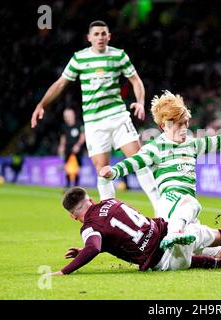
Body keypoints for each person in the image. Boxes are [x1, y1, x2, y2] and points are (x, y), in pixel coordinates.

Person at [99, 90, 221, 255]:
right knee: (190, 203)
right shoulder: (156, 148)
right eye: (179, 124)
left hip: (189, 216)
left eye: (186, 123)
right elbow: (134, 162)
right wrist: (113, 172)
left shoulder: (193, 144)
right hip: (169, 206)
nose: (184, 128)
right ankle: (174, 233)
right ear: (164, 125)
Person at [30, 20, 159, 213]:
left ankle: (160, 208)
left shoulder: (119, 55)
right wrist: (42, 104)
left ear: (109, 36)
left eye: (103, 34)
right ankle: (112, 217)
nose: (100, 37)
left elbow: (136, 80)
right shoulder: (79, 59)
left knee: (139, 161)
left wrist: (140, 102)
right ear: (89, 38)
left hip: (117, 117)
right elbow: (60, 84)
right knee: (103, 170)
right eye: (96, 34)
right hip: (94, 123)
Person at [47, 187, 221, 276]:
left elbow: (96, 245)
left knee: (186, 261)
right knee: (213, 228)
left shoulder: (89, 228)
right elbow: (110, 235)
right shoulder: (112, 201)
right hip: (163, 231)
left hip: (162, 261)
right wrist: (83, 250)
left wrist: (64, 271)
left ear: (72, 216)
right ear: (90, 198)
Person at [58, 108, 86, 189]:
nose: (66, 117)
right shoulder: (64, 126)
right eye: (65, 116)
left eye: (68, 115)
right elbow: (63, 137)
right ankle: (67, 185)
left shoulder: (79, 124)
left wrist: (78, 145)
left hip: (77, 150)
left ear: (73, 115)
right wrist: (62, 146)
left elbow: (82, 136)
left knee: (77, 167)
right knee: (66, 166)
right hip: (68, 149)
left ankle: (76, 185)